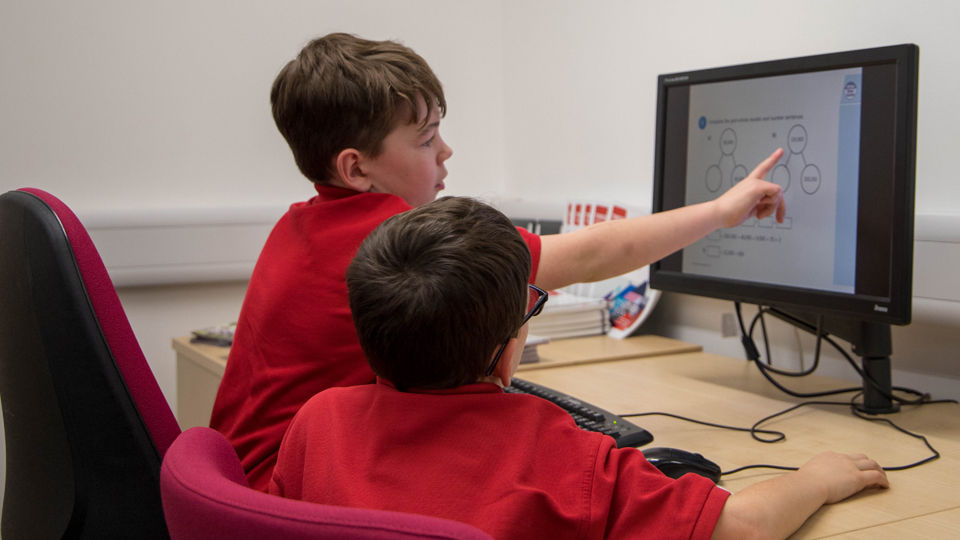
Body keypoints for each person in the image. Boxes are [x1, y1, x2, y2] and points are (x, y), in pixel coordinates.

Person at [210, 32, 787, 492]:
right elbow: (589, 253)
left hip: (245, 489)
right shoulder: (390, 239)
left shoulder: (299, 223)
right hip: (294, 495)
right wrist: (718, 211)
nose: (445, 150)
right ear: (356, 168)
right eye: (425, 138)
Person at [269, 197, 888, 540]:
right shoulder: (557, 451)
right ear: (506, 350)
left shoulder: (317, 423)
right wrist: (821, 477)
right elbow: (744, 528)